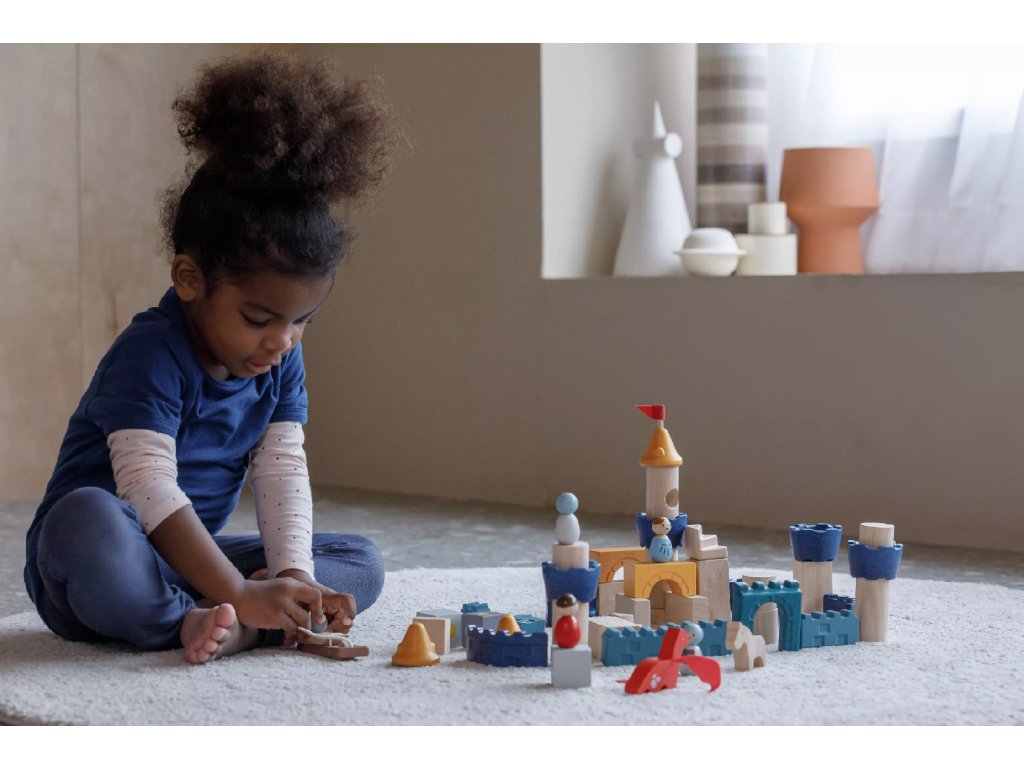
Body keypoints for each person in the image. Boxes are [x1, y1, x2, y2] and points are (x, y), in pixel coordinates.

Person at [23, 50, 399, 664]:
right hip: (102, 560)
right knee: (83, 518)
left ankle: (232, 624)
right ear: (190, 278)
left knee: (359, 562)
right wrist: (239, 591)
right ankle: (205, 619)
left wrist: (294, 578)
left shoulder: (280, 358)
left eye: (303, 321)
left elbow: (280, 467)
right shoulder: (150, 353)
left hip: (194, 564)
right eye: (259, 319)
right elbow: (146, 487)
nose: (282, 341)